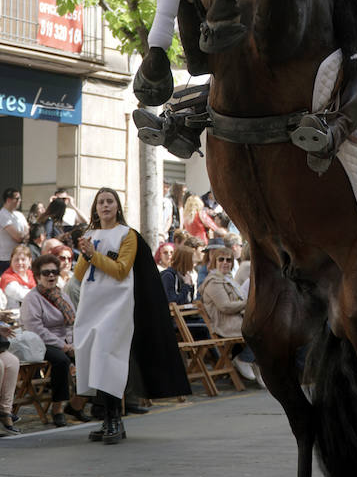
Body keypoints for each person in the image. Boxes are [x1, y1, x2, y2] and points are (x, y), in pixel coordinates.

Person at [74, 188, 190, 444]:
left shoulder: (127, 235)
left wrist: (93, 255)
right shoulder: (89, 234)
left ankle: (115, 418)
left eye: (110, 201)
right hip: (91, 304)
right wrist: (85, 255)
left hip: (116, 304)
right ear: (95, 208)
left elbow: (121, 269)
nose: (105, 206)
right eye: (101, 202)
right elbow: (80, 275)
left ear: (117, 207)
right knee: (92, 358)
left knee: (107, 357)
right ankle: (106, 419)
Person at [20, 253, 90, 427]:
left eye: (54, 272)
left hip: (65, 340)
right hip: (40, 343)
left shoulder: (62, 296)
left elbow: (72, 324)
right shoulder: (32, 299)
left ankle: (76, 404)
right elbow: (36, 330)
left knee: (91, 356)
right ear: (37, 276)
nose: (51, 275)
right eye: (46, 273)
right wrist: (64, 346)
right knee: (61, 361)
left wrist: (73, 343)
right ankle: (57, 408)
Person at [198, 244, 263, 384]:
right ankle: (243, 359)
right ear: (214, 262)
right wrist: (249, 303)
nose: (225, 263)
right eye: (221, 259)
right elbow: (225, 306)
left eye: (228, 260)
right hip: (225, 323)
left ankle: (254, 363)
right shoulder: (214, 281)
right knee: (259, 330)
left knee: (266, 326)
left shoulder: (228, 279)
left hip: (236, 319)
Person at [0, 189, 28, 276]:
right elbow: (17, 237)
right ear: (8, 200)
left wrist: (23, 235)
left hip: (21, 256)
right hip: (7, 258)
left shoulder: (19, 215)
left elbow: (27, 231)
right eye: (17, 198)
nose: (20, 201)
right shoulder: (3, 215)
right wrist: (23, 235)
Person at [0, 244, 35, 309]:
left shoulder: (33, 275)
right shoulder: (7, 278)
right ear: (11, 261)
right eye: (16, 260)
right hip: (13, 315)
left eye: (23, 259)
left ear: (30, 261)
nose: (20, 262)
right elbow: (22, 295)